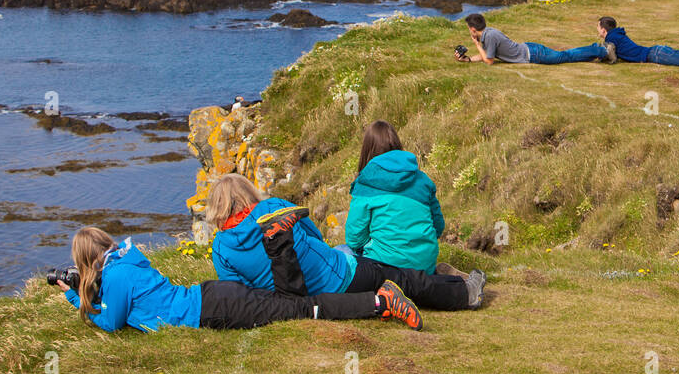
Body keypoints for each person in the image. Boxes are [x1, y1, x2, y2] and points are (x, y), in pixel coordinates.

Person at [206, 173, 484, 313]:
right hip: (339, 276)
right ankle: (465, 293)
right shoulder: (274, 207)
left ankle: (456, 287)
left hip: (299, 301)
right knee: (399, 277)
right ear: (247, 193)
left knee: (374, 270)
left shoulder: (220, 248)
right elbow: (312, 234)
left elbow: (239, 291)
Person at [57, 226, 425, 332]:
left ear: (85, 261)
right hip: (212, 296)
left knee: (301, 311)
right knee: (296, 306)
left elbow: (110, 322)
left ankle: (381, 302)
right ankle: (380, 299)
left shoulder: (117, 276)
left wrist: (75, 298)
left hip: (214, 309)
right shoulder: (126, 258)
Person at [346, 121, 447, 277]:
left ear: (367, 149)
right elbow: (438, 226)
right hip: (424, 268)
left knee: (341, 252)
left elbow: (354, 239)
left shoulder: (365, 183)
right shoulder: (423, 180)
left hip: (385, 270)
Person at [457, 12, 606, 64]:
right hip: (530, 50)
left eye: (468, 29)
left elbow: (489, 61)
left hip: (533, 54)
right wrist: (469, 59)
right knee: (565, 56)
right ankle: (594, 51)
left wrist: (476, 45)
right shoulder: (488, 33)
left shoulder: (490, 36)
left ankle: (600, 51)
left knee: (565, 56)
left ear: (473, 29)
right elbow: (488, 55)